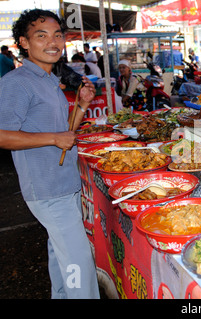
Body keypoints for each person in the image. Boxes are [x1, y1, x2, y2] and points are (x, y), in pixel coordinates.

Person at [0, 9, 100, 299]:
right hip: (47, 189)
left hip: (64, 183)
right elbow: (3, 135)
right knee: (79, 264)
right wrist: (54, 138)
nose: (52, 42)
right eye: (41, 35)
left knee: (61, 254)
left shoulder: (48, 80)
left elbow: (65, 134)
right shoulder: (16, 83)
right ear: (24, 42)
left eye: (57, 35)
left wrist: (81, 106)